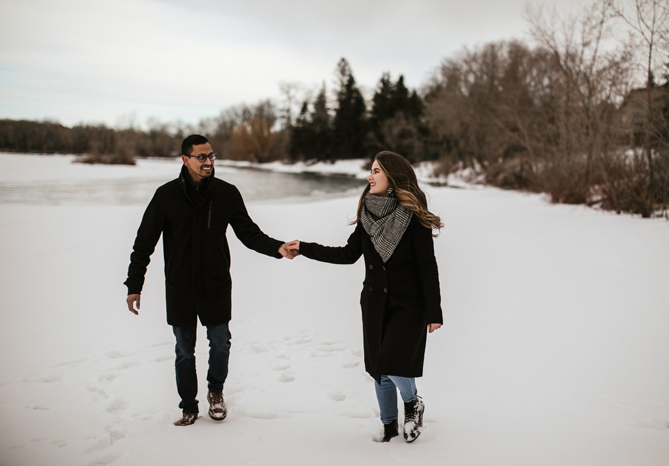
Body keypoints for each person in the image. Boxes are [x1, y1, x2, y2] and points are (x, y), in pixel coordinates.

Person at [124, 134, 293, 427]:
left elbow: (249, 233)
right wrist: (134, 285)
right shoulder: (166, 196)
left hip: (215, 284)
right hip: (180, 287)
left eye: (211, 156)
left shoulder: (226, 193)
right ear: (185, 159)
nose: (208, 162)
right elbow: (144, 243)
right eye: (202, 157)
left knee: (221, 343)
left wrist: (277, 247)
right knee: (183, 351)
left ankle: (215, 391)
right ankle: (188, 406)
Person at [287, 151, 443, 443]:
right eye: (370, 171)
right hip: (375, 303)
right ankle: (388, 429)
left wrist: (434, 311)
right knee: (379, 370)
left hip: (409, 304)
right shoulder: (367, 215)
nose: (370, 176)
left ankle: (412, 403)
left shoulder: (414, 217)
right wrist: (304, 247)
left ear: (393, 178)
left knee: (391, 361)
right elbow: (347, 255)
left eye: (376, 171)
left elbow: (427, 266)